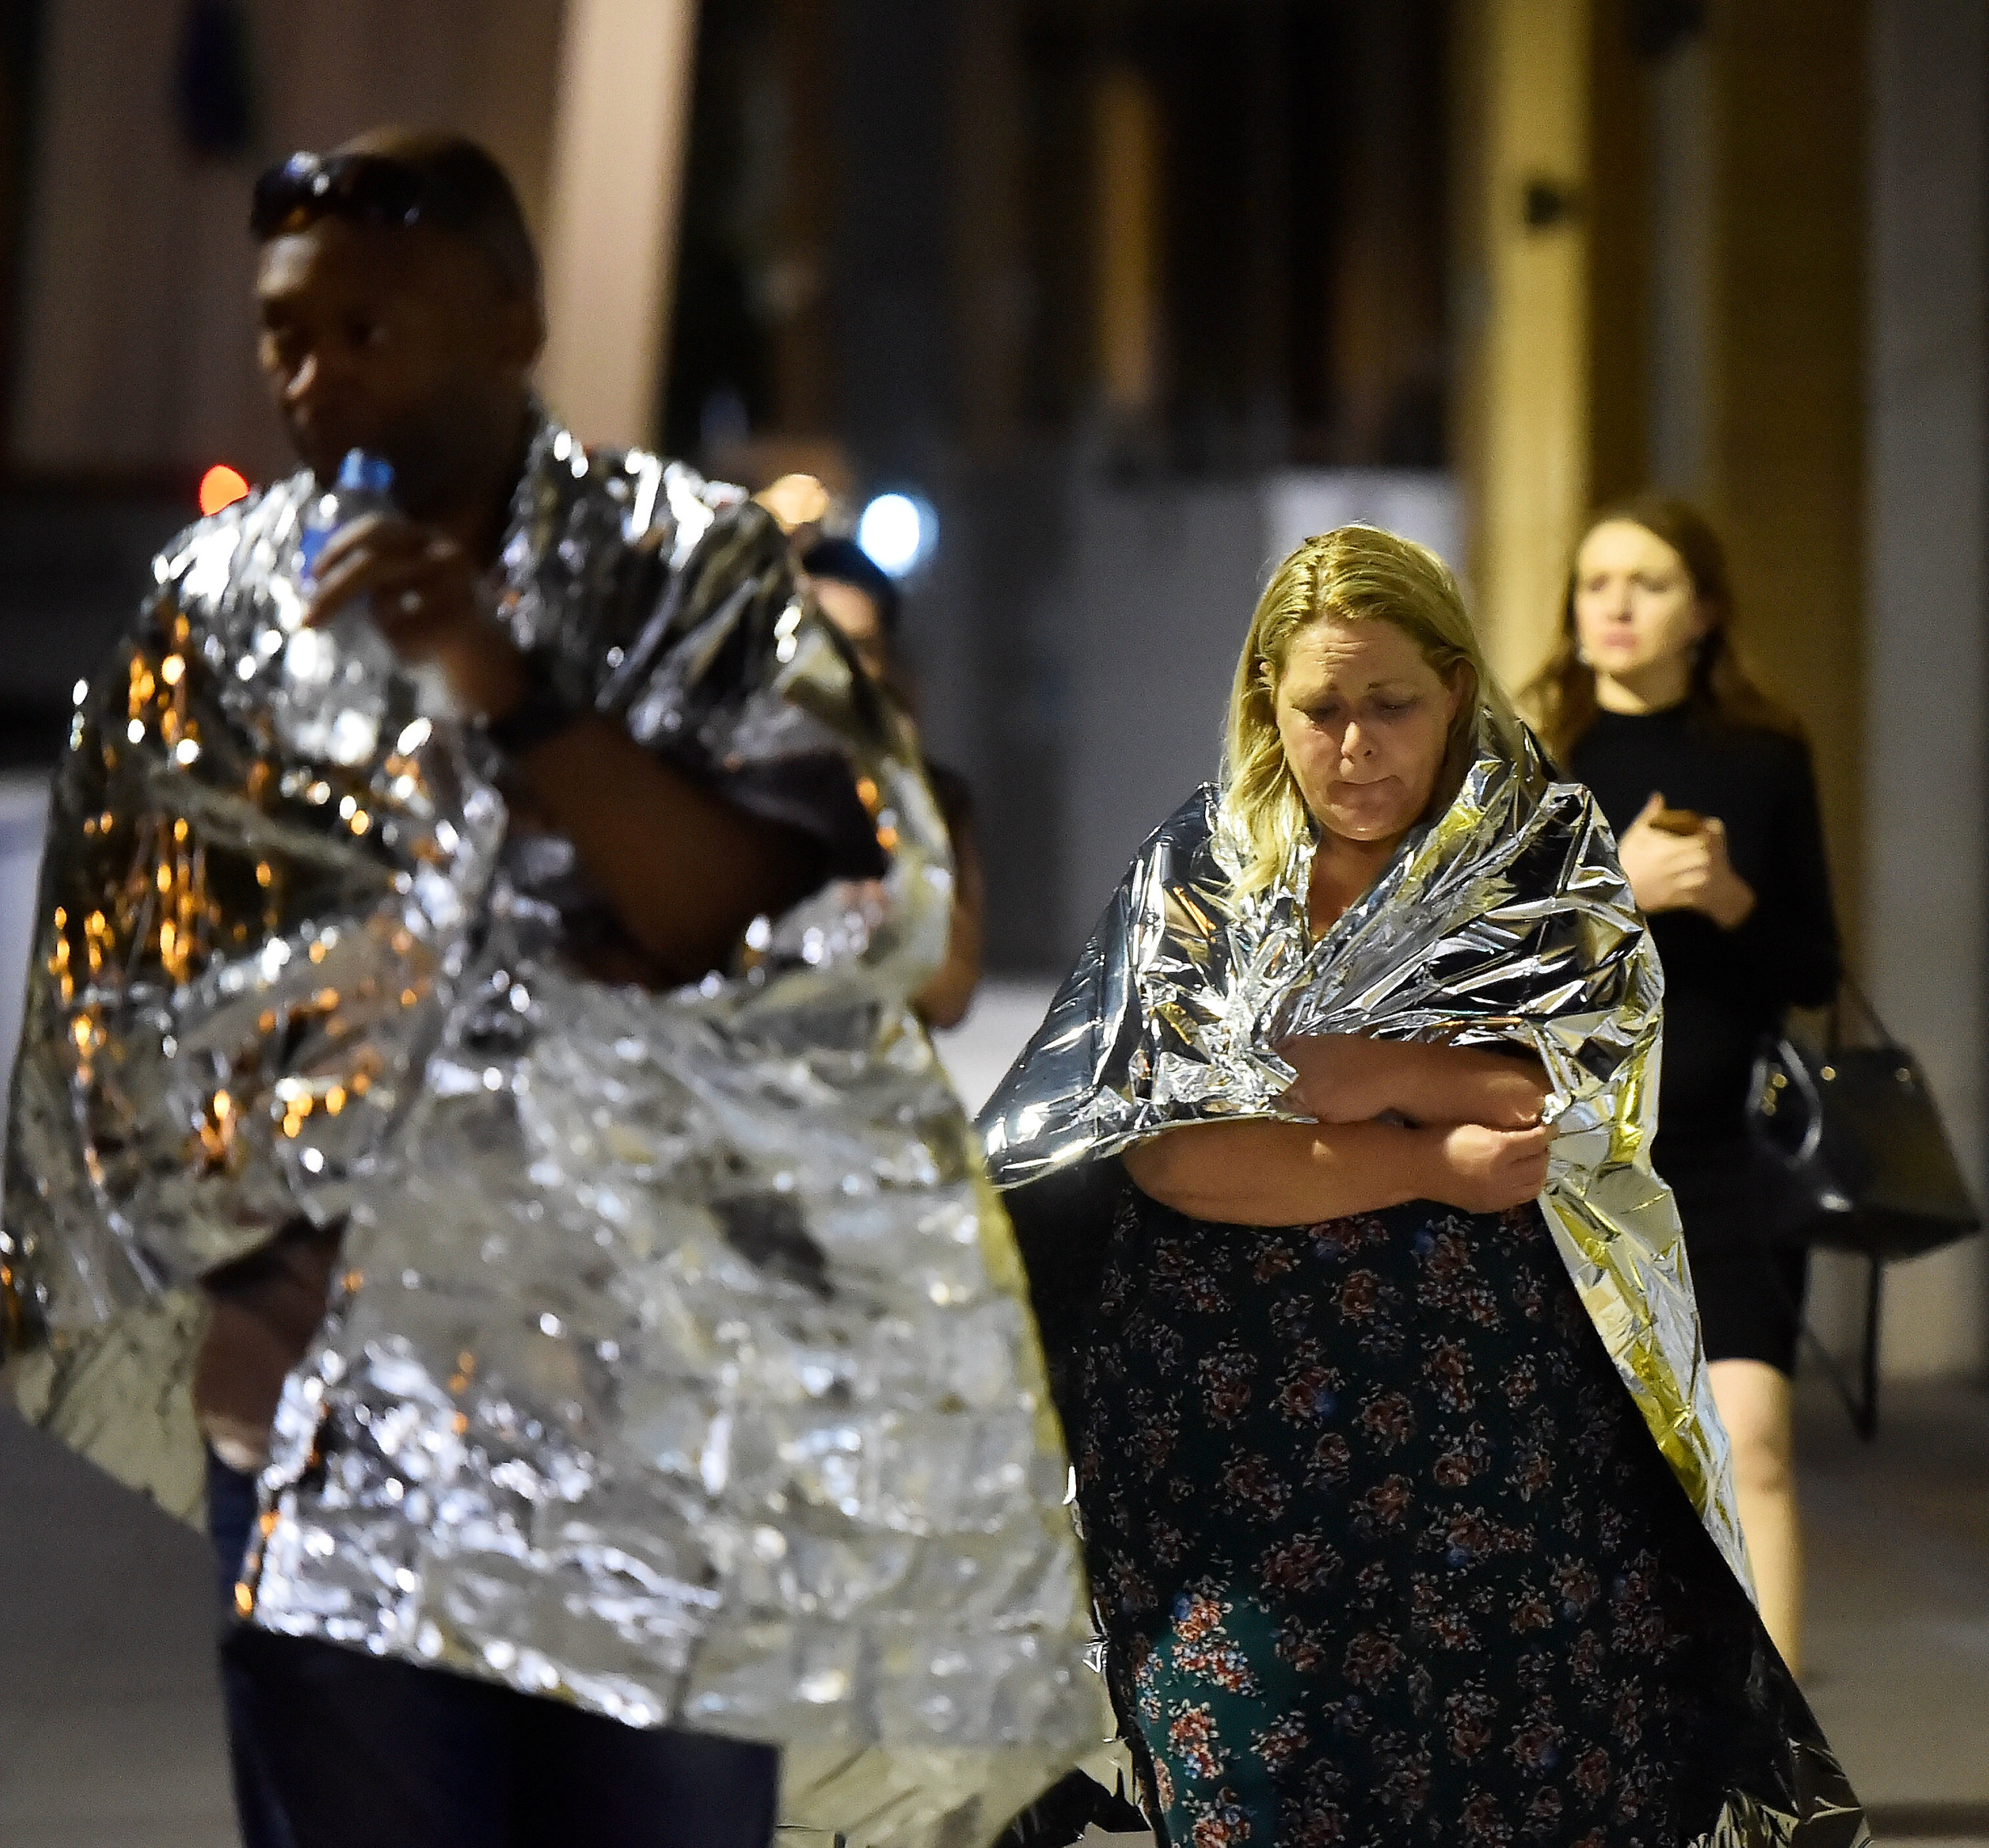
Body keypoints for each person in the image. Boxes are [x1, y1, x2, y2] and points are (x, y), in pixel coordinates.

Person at [1, 131, 1100, 1848]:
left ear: (512, 315)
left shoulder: (692, 570)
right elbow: (120, 1001)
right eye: (287, 333)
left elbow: (803, 915)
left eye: (371, 328)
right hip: (330, 1421)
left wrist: (510, 695)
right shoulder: (211, 612)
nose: (315, 375)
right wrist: (231, 1294)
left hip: (650, 1402)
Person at [979, 526, 1867, 1846]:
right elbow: (1178, 1150)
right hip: (1234, 1460)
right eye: (1319, 708)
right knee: (1253, 1803)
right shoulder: (1209, 873)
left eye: (1389, 703)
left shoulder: (1539, 857)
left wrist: (1342, 1066)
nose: (1354, 744)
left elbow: (1567, 1099)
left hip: (1496, 1454)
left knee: (1513, 1799)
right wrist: (1425, 1149)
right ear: (1264, 702)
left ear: (1455, 685)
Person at [1522, 497, 1839, 1671]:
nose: (1612, 603)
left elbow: (1816, 967)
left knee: (1751, 1443)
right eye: (1594, 579)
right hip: (1575, 1152)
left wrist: (1729, 900)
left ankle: (1778, 1767)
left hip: (1727, 1156)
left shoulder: (1764, 756)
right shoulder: (1534, 762)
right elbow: (1478, 969)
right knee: (1599, 1466)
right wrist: (1619, 884)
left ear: (1701, 611)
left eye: (1646, 582)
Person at [798, 534, 984, 1027]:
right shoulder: (725, 786)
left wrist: (899, 790)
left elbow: (949, 997)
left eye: (856, 648)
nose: (831, 668)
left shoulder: (932, 801)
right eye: (813, 638)